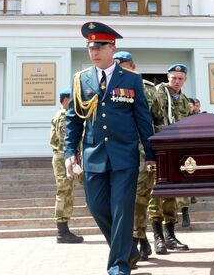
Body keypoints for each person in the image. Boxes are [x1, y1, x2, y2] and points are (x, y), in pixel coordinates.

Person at [64, 22, 155, 275]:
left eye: (100, 47)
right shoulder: (81, 80)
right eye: (91, 47)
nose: (94, 52)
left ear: (112, 47)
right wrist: (70, 153)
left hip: (124, 156)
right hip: (93, 156)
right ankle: (128, 250)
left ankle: (118, 266)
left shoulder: (132, 80)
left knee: (122, 210)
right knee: (96, 207)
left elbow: (143, 120)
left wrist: (150, 154)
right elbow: (73, 120)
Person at [112, 51, 156, 262]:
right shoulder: (108, 85)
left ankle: (137, 240)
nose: (122, 69)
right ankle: (135, 241)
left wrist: (154, 152)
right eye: (118, 66)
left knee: (140, 198)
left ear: (133, 66)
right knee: (125, 200)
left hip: (143, 152)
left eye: (125, 65)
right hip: (122, 152)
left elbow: (156, 119)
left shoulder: (147, 89)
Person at [148, 64, 191, 254]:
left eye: (180, 78)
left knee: (171, 192)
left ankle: (170, 236)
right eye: (173, 78)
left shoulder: (184, 100)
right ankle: (158, 238)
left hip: (175, 149)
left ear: (185, 79)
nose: (176, 81)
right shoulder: (158, 92)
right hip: (158, 147)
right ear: (168, 77)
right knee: (155, 192)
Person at [50, 88, 84, 244]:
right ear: (65, 100)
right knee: (64, 192)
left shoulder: (61, 115)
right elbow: (66, 141)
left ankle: (64, 230)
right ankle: (62, 232)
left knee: (67, 192)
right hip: (63, 157)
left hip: (63, 157)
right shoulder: (63, 116)